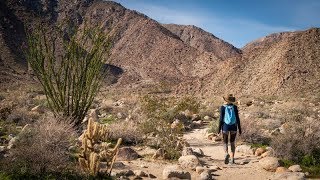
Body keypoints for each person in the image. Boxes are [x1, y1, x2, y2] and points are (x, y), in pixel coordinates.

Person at [217, 94, 242, 165]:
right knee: (232, 142)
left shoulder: (222, 107)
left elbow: (221, 119)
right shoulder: (235, 107)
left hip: (225, 126)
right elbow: (237, 119)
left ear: (225, 100)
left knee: (225, 142)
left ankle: (226, 154)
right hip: (234, 126)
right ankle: (232, 159)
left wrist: (219, 129)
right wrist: (239, 129)